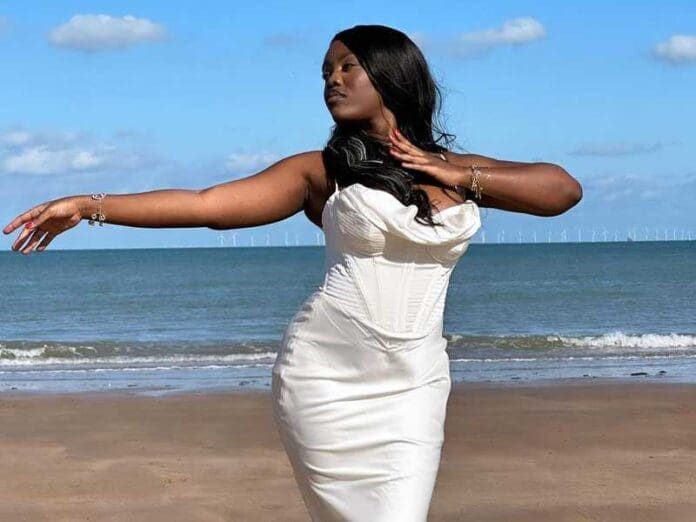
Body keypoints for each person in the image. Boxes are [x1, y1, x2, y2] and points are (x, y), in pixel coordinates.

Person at [3, 24, 582, 521]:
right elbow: (207, 206)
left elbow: (561, 190)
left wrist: (452, 174)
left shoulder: (456, 169)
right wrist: (89, 205)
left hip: (415, 382)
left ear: (392, 74)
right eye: (326, 71)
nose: (332, 79)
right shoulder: (319, 171)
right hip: (325, 378)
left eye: (348, 67)